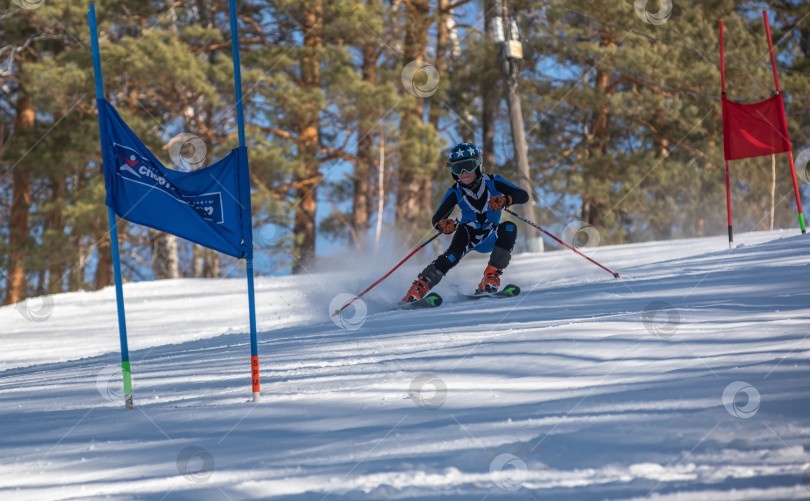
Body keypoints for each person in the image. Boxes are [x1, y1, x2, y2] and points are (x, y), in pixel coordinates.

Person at [401, 142, 529, 303]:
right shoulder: (455, 191)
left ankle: (490, 278)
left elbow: (523, 195)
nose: (463, 172)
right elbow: (438, 217)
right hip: (467, 234)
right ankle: (417, 290)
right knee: (450, 258)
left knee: (509, 227)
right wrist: (442, 225)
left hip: (491, 234)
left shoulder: (493, 181)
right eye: (457, 169)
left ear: (478, 165)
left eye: (468, 166)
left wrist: (506, 199)